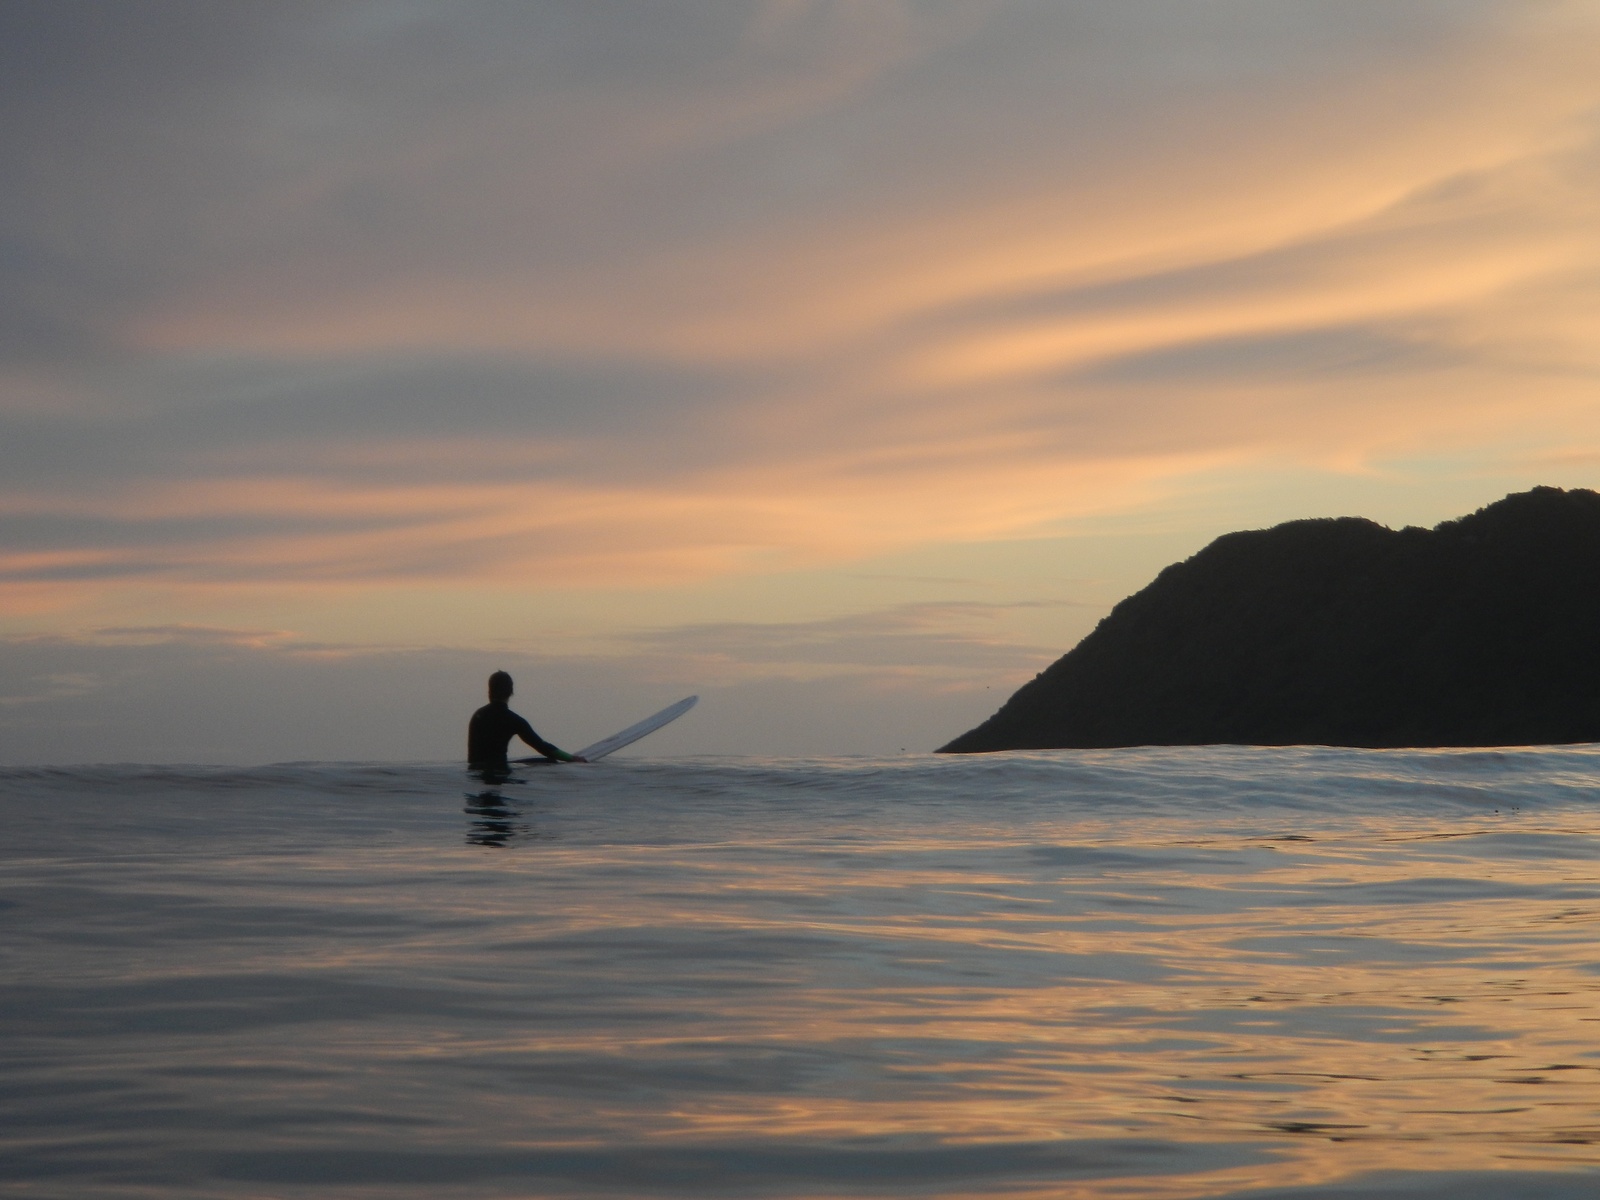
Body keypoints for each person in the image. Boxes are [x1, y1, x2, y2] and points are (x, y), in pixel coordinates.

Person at [467, 671, 585, 767]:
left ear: (489, 691)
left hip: (474, 770)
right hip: (500, 771)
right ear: (511, 692)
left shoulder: (478, 715)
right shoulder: (513, 720)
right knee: (551, 761)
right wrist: (571, 758)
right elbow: (542, 746)